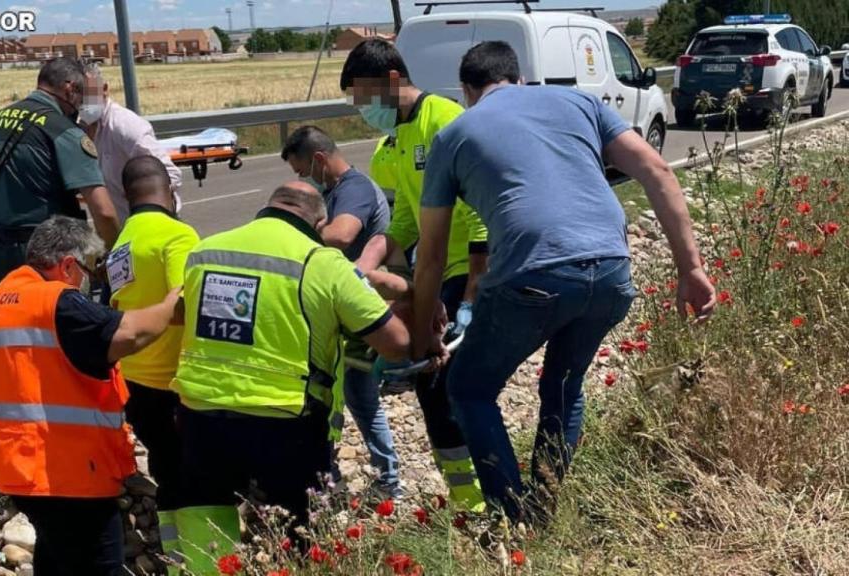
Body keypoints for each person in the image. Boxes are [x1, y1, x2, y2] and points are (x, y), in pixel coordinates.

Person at [412, 41, 717, 523]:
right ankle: (545, 502)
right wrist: (691, 269)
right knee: (564, 384)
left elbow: (429, 256)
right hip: (613, 269)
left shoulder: (455, 134)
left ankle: (516, 522)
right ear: (517, 77)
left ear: (468, 90)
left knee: (469, 387)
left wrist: (422, 327)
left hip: (532, 274)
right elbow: (657, 170)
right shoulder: (579, 102)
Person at [171, 182, 413, 575]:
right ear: (320, 223)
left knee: (206, 511)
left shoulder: (205, 250)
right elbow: (396, 343)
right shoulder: (323, 262)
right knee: (297, 527)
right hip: (285, 419)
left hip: (202, 411)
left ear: (268, 208)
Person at [0, 215, 181, 575]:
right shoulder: (58, 302)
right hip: (63, 470)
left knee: (57, 556)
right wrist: (171, 301)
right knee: (97, 562)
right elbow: (128, 335)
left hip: (16, 462)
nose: (85, 279)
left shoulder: (0, 298)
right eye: (84, 269)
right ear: (67, 264)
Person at [340, 38, 487, 510]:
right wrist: (366, 262)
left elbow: (481, 208)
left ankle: (484, 498)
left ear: (391, 81)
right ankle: (468, 500)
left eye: (363, 98)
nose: (362, 110)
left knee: (449, 384)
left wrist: (470, 296)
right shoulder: (398, 140)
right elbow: (404, 219)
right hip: (439, 269)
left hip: (473, 269)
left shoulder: (443, 120)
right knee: (432, 383)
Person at [281, 125, 403, 499]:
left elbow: (341, 235)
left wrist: (284, 237)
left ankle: (385, 479)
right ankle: (344, 473)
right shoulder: (337, 190)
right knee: (348, 394)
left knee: (351, 395)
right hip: (345, 309)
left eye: (303, 171)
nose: (302, 179)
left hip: (361, 311)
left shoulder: (354, 189)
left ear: (319, 159)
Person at [107, 155, 199, 567]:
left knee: (164, 465)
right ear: (170, 191)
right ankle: (199, 557)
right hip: (173, 380)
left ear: (127, 196)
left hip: (133, 379)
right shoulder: (177, 236)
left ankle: (173, 549)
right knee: (195, 475)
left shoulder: (122, 243)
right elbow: (185, 303)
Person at [0, 57, 119, 292]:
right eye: (81, 96)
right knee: (57, 324)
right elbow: (104, 212)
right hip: (41, 253)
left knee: (6, 323)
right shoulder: (64, 131)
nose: (80, 105)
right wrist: (113, 256)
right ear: (69, 89)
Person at [79, 62, 184, 220]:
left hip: (150, 224)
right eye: (79, 94)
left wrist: (140, 196)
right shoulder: (77, 129)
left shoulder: (126, 126)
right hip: (117, 227)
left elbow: (170, 174)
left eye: (89, 94)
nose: (84, 101)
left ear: (104, 89)